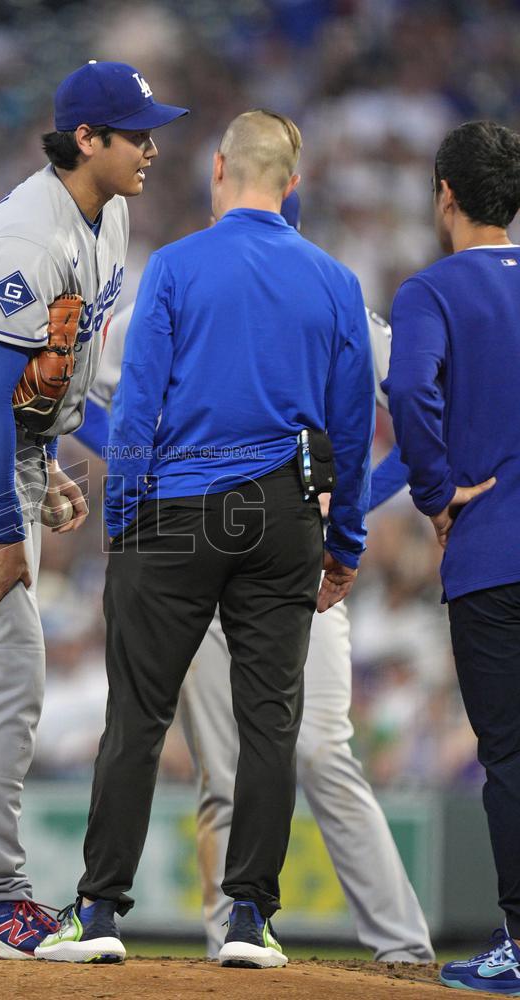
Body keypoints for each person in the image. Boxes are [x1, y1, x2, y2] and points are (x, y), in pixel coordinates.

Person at [36, 109, 375, 968]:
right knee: (269, 722)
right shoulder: (334, 280)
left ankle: (99, 912)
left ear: (218, 169)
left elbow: (140, 401)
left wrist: (122, 524)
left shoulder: (179, 266)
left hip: (178, 510)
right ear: (291, 183)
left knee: (138, 719)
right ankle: (252, 920)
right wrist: (347, 542)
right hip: (283, 511)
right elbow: (348, 426)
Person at [0, 60, 187, 960]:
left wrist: (48, 458)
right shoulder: (26, 237)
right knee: (11, 666)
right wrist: (6, 531)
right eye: (135, 134)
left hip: (0, 452)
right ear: (85, 139)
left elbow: (48, 378)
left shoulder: (111, 215)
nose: (151, 146)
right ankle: (1, 901)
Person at [73, 276, 434, 962]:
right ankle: (231, 952)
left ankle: (403, 951)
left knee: (319, 748)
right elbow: (82, 399)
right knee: (224, 774)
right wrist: (139, 471)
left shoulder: (329, 295)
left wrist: (351, 505)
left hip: (287, 544)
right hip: (196, 534)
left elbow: (419, 414)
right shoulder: (181, 285)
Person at [384, 119, 520, 996]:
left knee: (509, 756)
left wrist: (434, 495)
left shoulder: (430, 290)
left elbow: (407, 388)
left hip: (492, 553)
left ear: (444, 193)